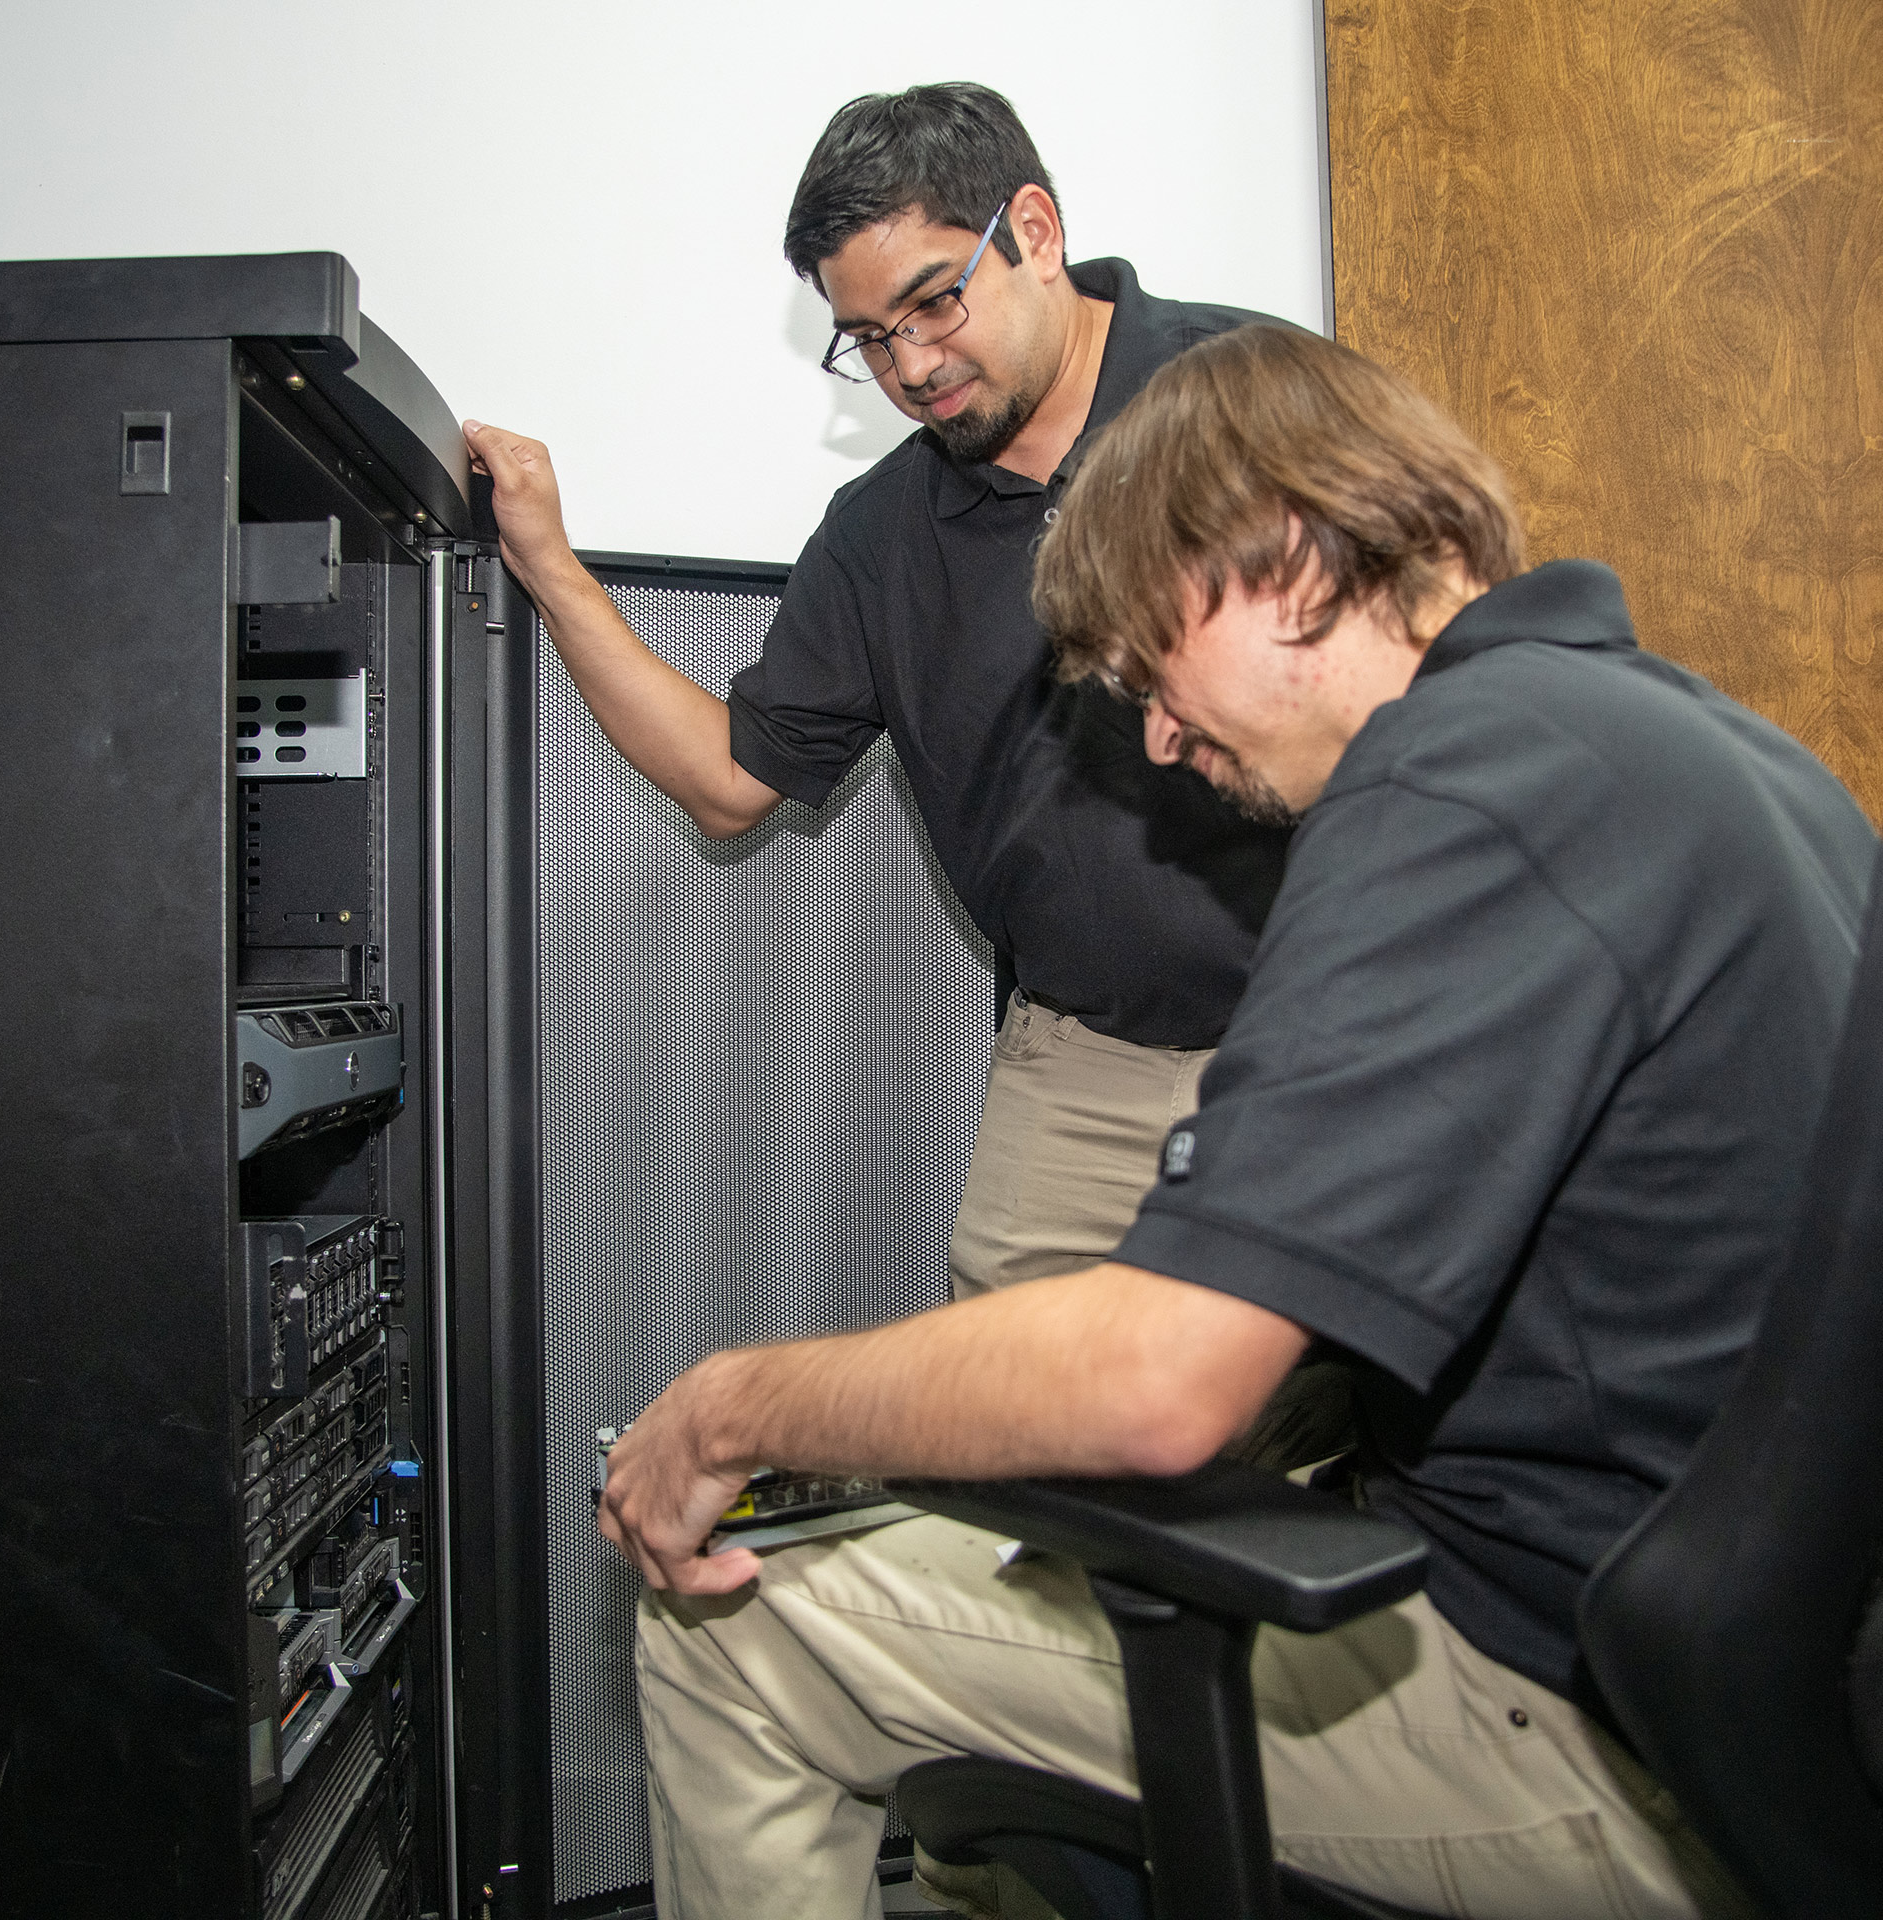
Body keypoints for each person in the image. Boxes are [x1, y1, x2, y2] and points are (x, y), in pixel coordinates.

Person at [597, 323, 1874, 1919]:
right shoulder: (1714, 751)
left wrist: (731, 1406)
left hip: (1580, 1731)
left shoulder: (1451, 791)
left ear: (1278, 560)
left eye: (1146, 664)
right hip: (1759, 1716)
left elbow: (1158, 1385)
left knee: (741, 1628)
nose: (1151, 738)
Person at [463, 83, 1350, 1468]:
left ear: (1035, 230)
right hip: (1087, 1065)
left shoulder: (1263, 394)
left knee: (1355, 1461)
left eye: (936, 304)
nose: (913, 364)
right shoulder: (879, 537)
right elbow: (729, 781)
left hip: (1347, 1038)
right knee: (1004, 1473)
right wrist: (551, 568)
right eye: (869, 338)